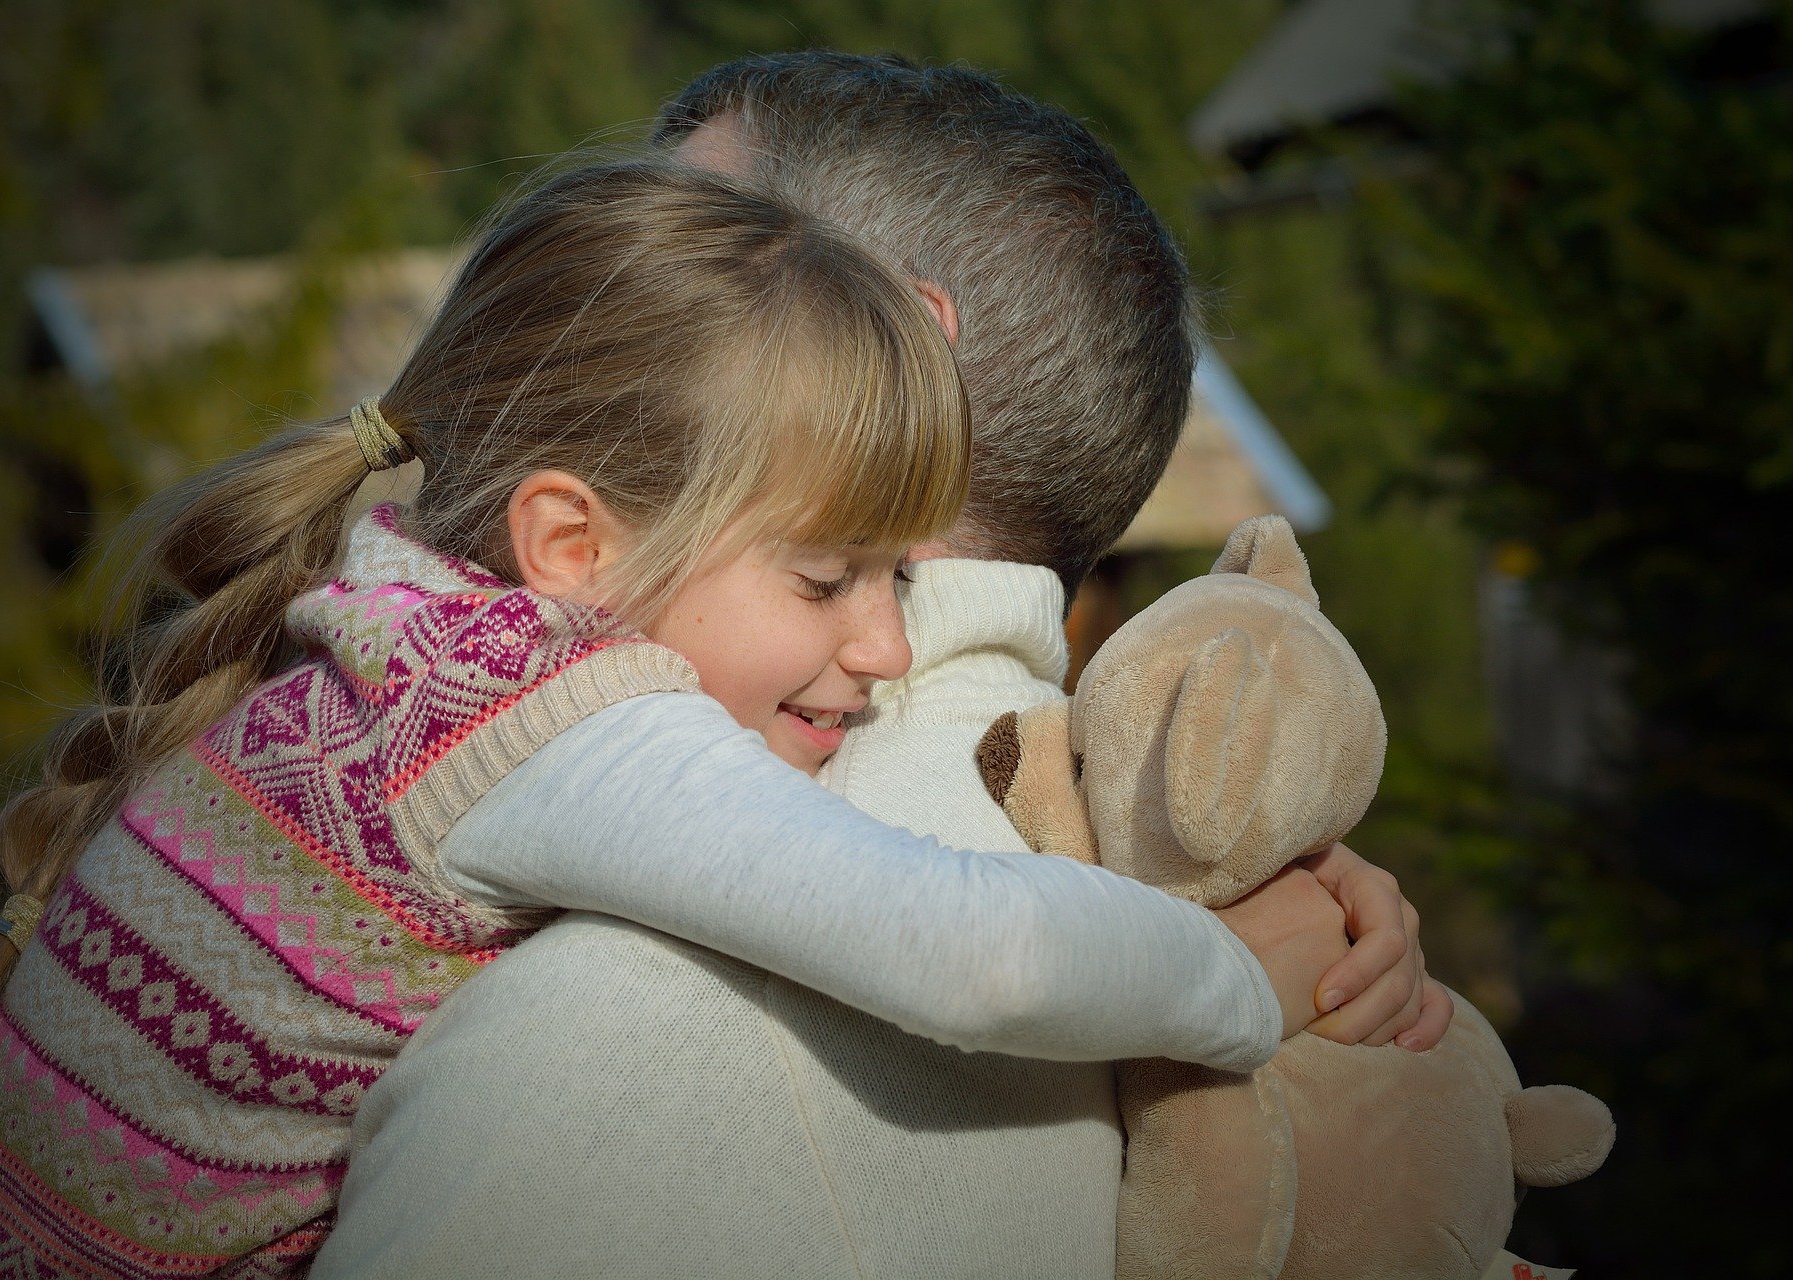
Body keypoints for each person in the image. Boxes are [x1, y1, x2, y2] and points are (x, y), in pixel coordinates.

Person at [0, 158, 1332, 1279]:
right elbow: (980, 951)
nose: (889, 643)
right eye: (828, 577)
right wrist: (1237, 974)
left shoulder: (392, 618)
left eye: (899, 576)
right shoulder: (541, 718)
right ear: (570, 546)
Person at [315, 53, 1449, 1280]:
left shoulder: (606, 1037)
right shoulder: (1199, 892)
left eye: (686, 244)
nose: (583, 310)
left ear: (899, 341)